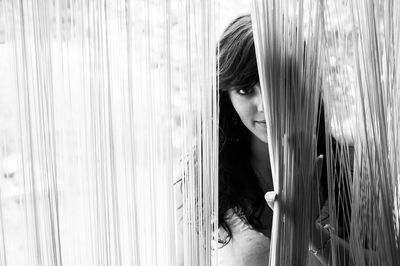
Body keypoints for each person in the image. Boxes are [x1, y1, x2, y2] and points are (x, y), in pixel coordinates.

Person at [216, 14, 332, 265]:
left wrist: (307, 230)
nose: (266, 105)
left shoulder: (354, 170)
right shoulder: (203, 178)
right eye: (246, 90)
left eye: (279, 84)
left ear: (305, 82)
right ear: (227, 96)